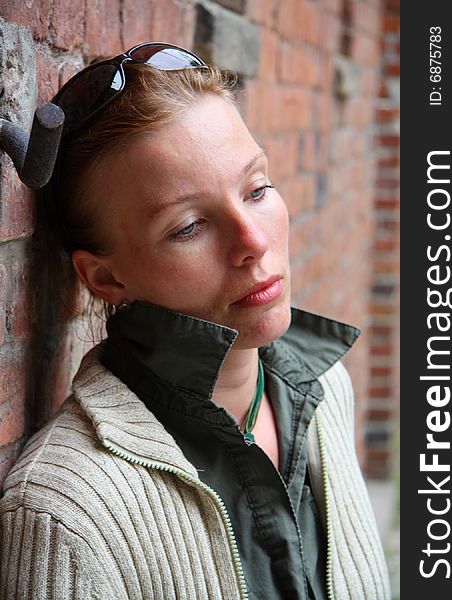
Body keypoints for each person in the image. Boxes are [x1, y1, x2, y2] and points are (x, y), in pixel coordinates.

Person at [0, 42, 390, 599]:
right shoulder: (66, 517)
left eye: (257, 189)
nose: (253, 243)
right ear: (106, 279)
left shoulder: (327, 388)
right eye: (188, 227)